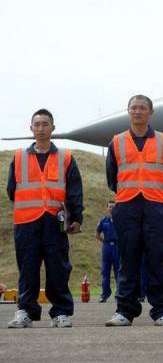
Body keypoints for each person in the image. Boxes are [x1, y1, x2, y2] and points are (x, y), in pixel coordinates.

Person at [104, 95, 163, 327]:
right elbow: (111, 176)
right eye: (133, 108)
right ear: (127, 111)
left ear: (151, 112)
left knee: (157, 259)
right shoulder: (116, 142)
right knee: (128, 259)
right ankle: (125, 311)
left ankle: (162, 311)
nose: (138, 112)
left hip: (156, 206)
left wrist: (155, 197)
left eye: (142, 108)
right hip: (127, 206)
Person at [6, 108, 84, 328]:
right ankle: (25, 313)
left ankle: (61, 313)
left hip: (55, 222)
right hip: (26, 223)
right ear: (31, 128)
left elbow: (75, 190)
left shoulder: (66, 158)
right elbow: (12, 190)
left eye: (45, 124)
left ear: (53, 128)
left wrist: (76, 217)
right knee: (27, 269)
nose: (41, 129)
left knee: (58, 268)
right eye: (37, 124)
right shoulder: (18, 157)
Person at [96, 201, 119, 303]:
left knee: (119, 272)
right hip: (107, 248)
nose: (111, 209)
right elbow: (97, 234)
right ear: (107, 208)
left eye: (113, 207)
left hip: (117, 247)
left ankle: (119, 294)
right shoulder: (103, 221)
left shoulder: (121, 221)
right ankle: (104, 295)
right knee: (105, 272)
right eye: (110, 207)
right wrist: (104, 242)